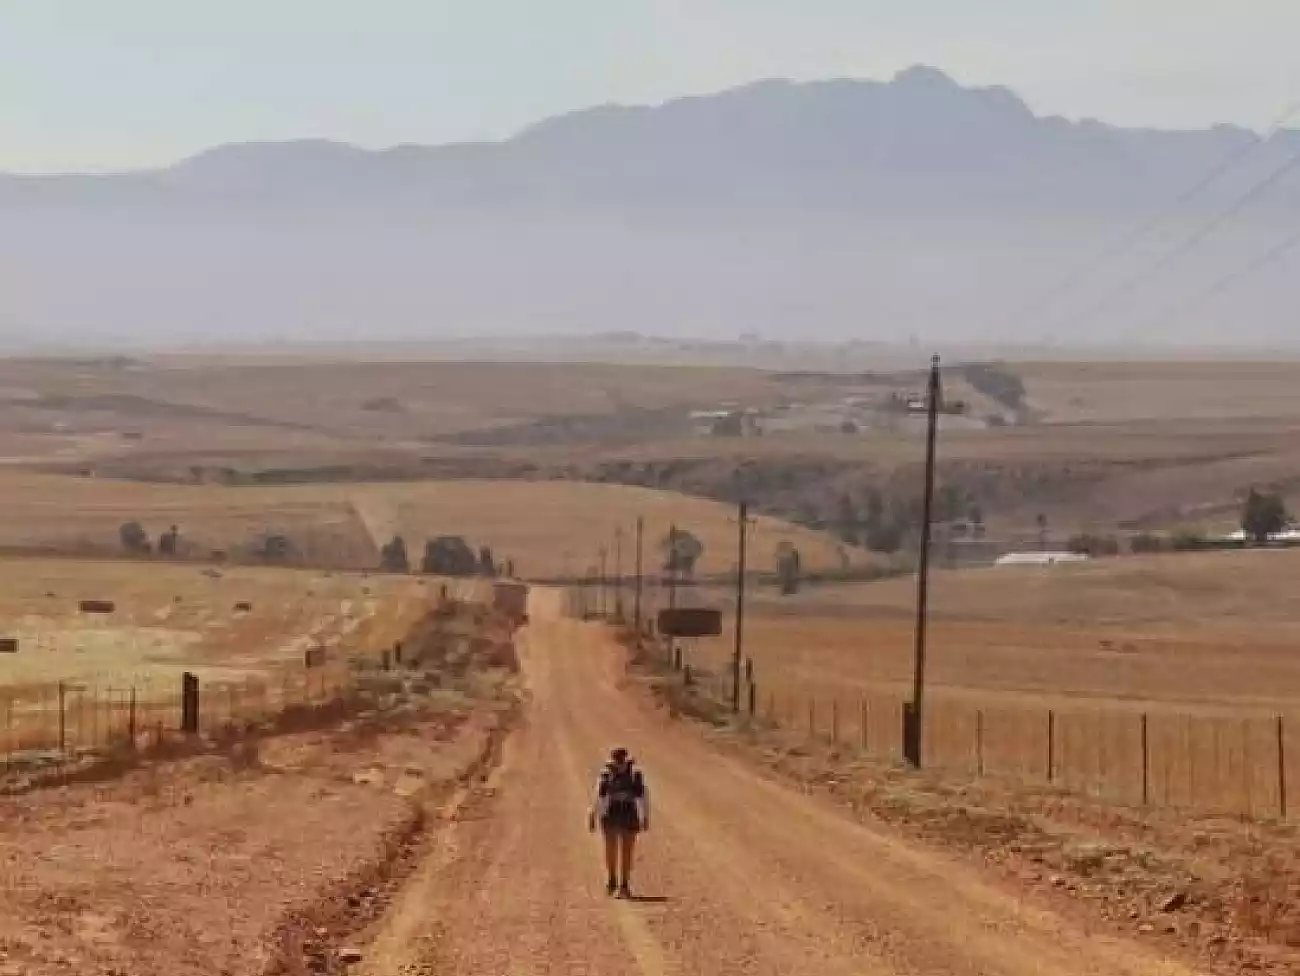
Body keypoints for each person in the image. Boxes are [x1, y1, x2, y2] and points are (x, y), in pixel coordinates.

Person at [587, 747, 650, 897]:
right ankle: (612, 879)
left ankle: (624, 884)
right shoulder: (607, 775)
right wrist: (592, 814)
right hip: (611, 814)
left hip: (628, 814)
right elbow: (599, 796)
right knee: (611, 850)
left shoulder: (634, 775)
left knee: (626, 851)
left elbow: (643, 797)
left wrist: (645, 816)